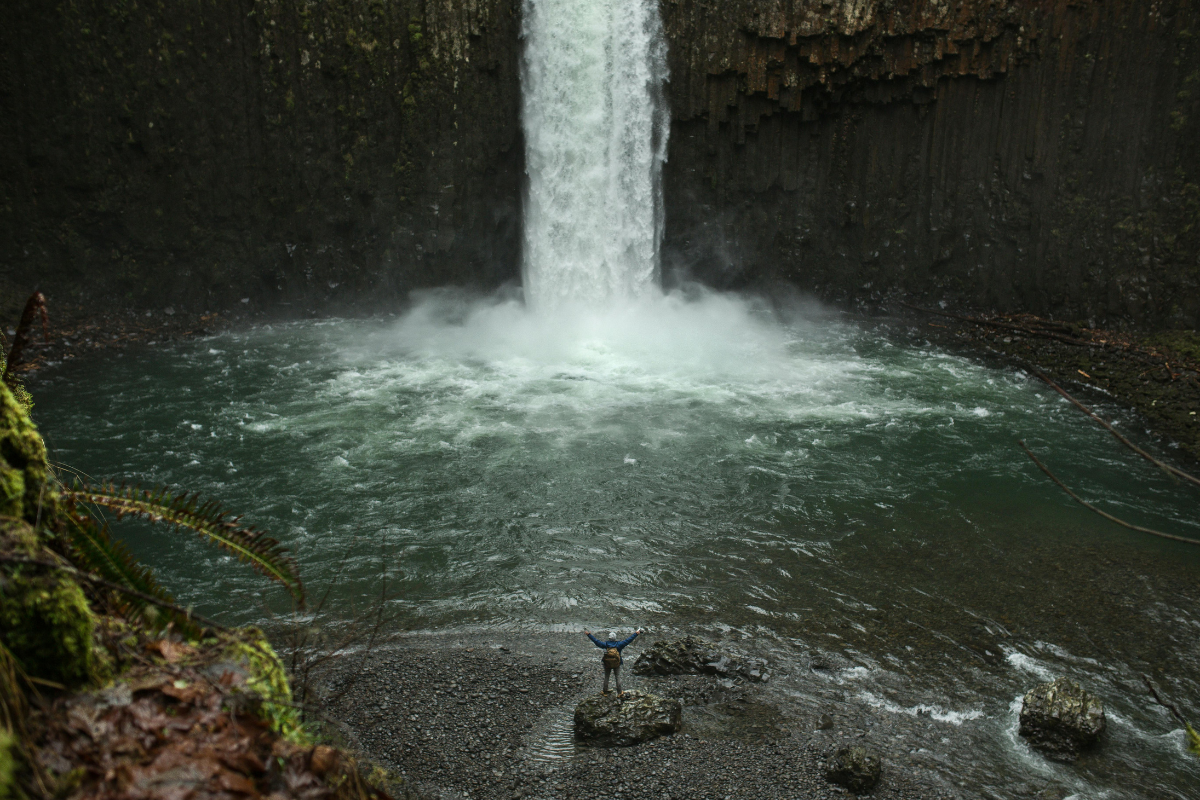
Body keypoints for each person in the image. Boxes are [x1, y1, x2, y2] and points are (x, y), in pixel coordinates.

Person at [583, 628, 643, 696]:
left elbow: (596, 641)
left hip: (607, 663)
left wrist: (589, 635)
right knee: (617, 677)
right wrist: (636, 633)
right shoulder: (619, 644)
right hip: (617, 663)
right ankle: (619, 692)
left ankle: (605, 691)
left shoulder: (605, 644)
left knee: (606, 677)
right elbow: (629, 640)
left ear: (609, 638)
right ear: (615, 638)